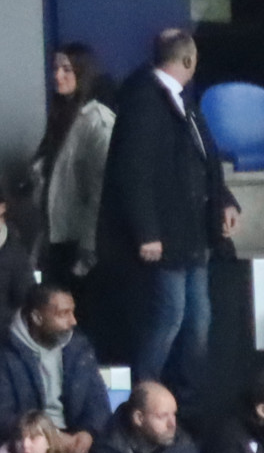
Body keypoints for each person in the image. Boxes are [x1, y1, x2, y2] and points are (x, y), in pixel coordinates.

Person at [99, 27, 240, 403]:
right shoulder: (145, 100)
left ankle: (186, 402)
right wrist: (146, 231)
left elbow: (205, 160)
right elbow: (134, 171)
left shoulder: (182, 102)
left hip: (193, 235)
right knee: (167, 318)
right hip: (166, 237)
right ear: (190, 60)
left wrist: (224, 199)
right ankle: (144, 397)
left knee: (198, 321)